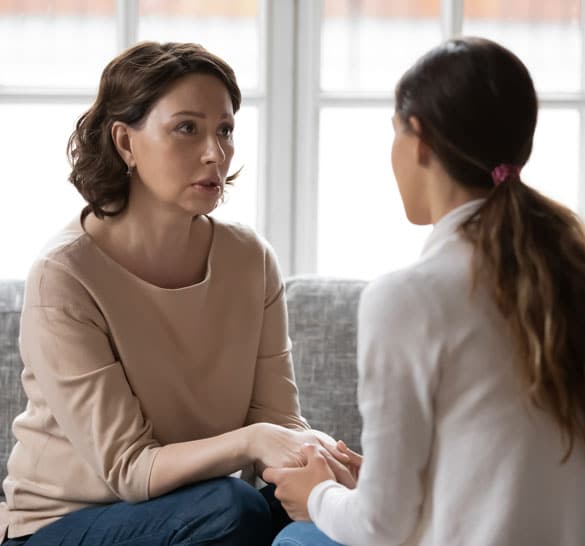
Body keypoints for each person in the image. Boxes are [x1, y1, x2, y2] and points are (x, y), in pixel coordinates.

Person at [264, 37, 585, 546]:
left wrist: (319, 494)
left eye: (394, 132)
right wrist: (373, 482)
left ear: (419, 138)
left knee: (297, 540)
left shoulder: (406, 299)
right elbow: (511, 475)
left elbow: (381, 528)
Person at [0, 41, 350, 546]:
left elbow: (276, 420)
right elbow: (128, 468)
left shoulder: (250, 259)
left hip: (201, 512)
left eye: (224, 130)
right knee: (232, 508)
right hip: (62, 526)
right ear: (125, 142)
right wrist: (253, 442)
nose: (215, 152)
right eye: (187, 128)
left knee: (327, 505)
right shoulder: (65, 276)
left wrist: (320, 466)